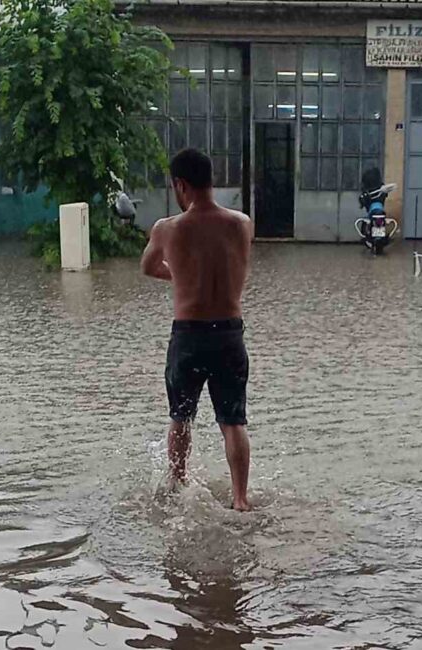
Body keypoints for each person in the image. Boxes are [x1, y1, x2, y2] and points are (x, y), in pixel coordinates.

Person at [141, 149, 254, 511]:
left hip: (188, 335)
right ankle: (240, 499)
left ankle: (176, 486)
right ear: (212, 181)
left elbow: (147, 266)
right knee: (233, 422)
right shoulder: (242, 224)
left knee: (181, 417)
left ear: (181, 185)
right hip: (229, 334)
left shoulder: (167, 228)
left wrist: (180, 275)